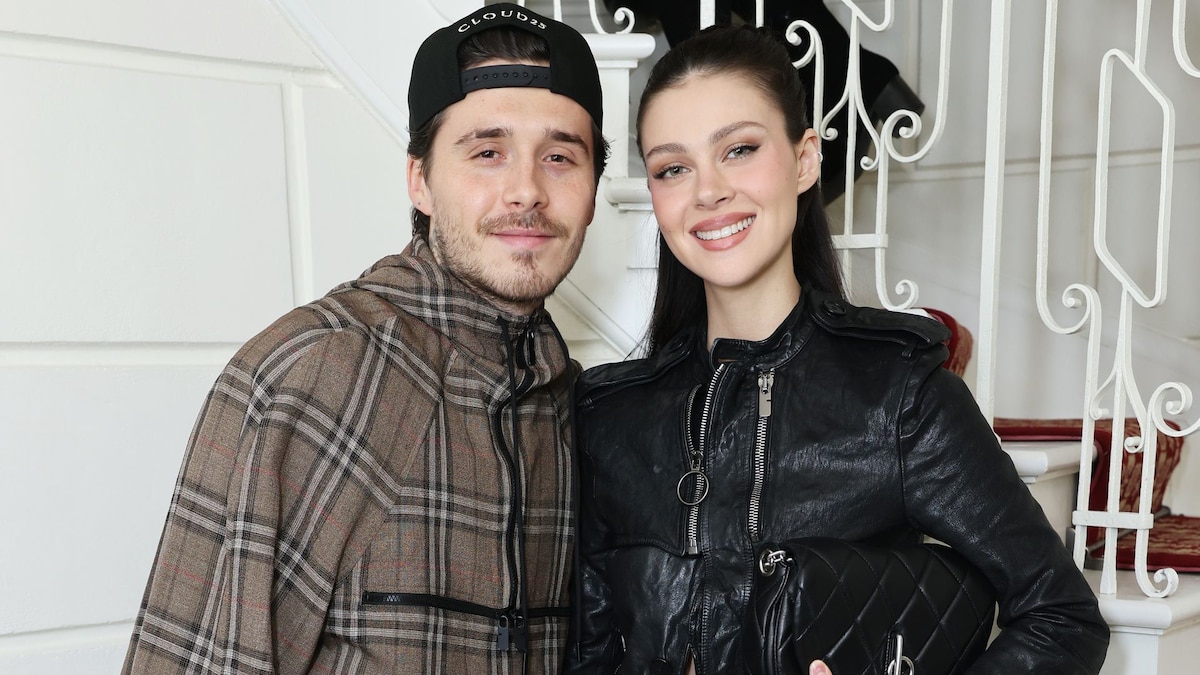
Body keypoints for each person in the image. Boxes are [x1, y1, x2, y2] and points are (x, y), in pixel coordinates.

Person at [565, 25, 1109, 675]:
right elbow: (589, 656)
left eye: (739, 149)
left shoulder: (898, 394)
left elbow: (1062, 619)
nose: (707, 191)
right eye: (673, 168)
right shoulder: (612, 416)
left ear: (804, 160)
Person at [122, 4, 608, 674]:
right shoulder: (309, 375)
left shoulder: (580, 409)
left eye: (558, 157)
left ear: (593, 187)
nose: (526, 190)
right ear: (420, 181)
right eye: (487, 153)